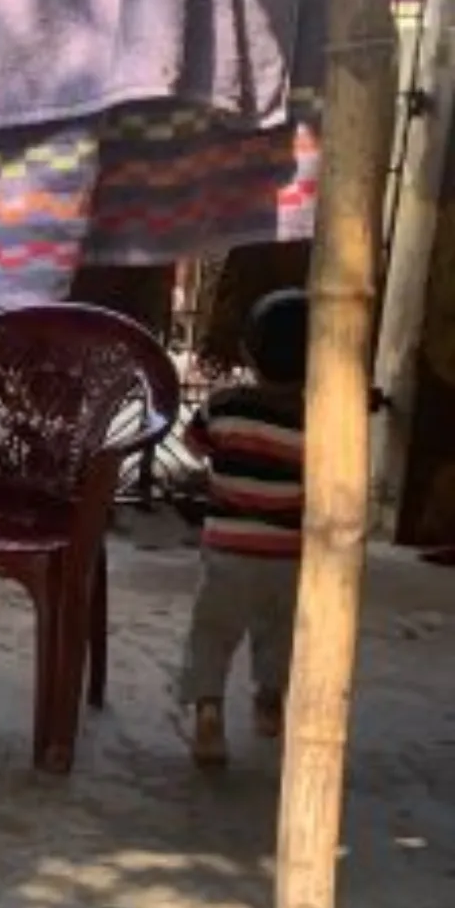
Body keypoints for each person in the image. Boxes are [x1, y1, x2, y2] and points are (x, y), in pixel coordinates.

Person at [179, 288, 309, 768]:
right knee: (279, 631)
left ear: (249, 352)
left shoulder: (224, 404)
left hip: (228, 548)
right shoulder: (319, 417)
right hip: (290, 552)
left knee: (212, 632)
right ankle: (269, 699)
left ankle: (209, 717)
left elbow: (195, 447)